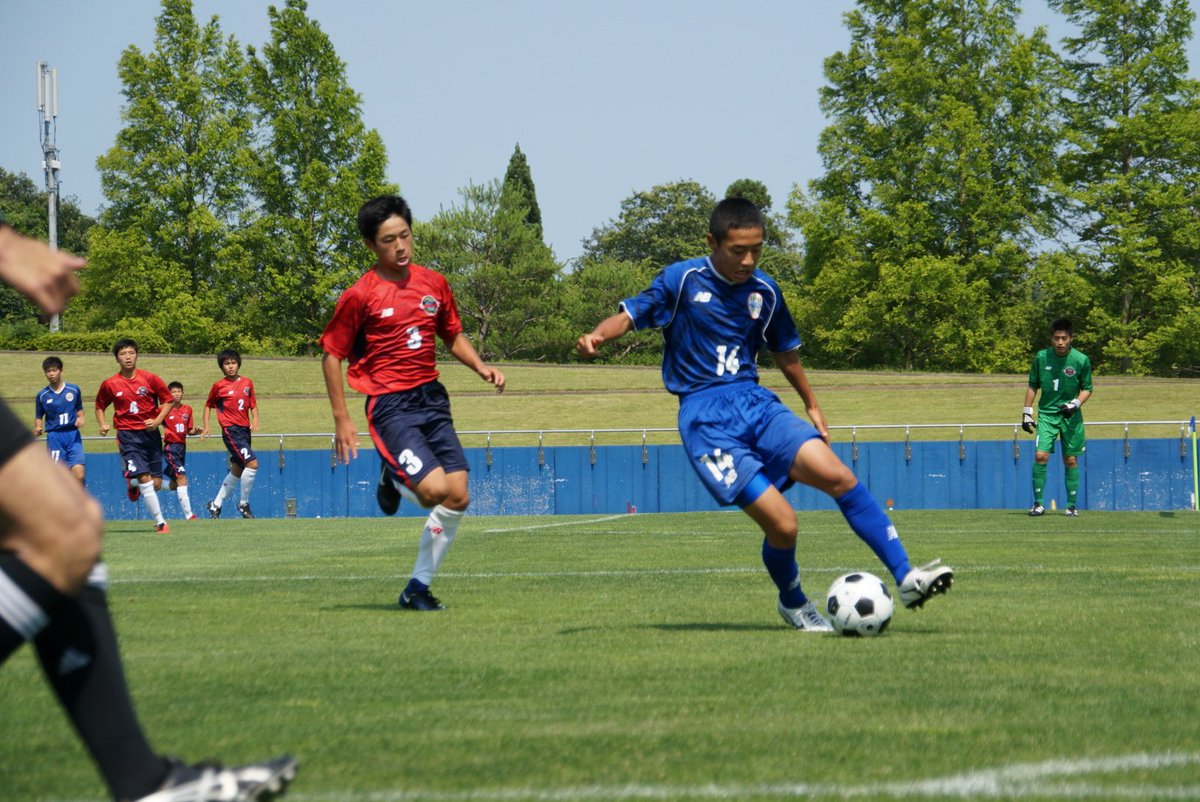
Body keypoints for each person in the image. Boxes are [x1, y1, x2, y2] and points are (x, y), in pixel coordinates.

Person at [0, 220, 296, 800]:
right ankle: (146, 784)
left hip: (154, 436)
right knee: (66, 528)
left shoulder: (164, 384)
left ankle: (145, 783)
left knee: (71, 527)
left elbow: (164, 402)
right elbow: (106, 402)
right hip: (130, 437)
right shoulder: (105, 385)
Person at [575, 197, 953, 631]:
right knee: (785, 526)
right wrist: (597, 337)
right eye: (738, 250)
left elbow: (784, 351)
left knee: (840, 477)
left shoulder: (765, 291)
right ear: (713, 242)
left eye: (757, 249)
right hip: (705, 419)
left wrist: (812, 404)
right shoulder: (682, 280)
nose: (748, 259)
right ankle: (793, 602)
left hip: (755, 402)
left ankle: (906, 577)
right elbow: (630, 314)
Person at [320, 195, 505, 611]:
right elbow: (331, 354)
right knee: (433, 491)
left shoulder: (434, 283)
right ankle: (392, 473)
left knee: (457, 496)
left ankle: (417, 588)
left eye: (405, 235)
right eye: (389, 240)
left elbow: (452, 334)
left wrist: (481, 367)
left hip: (432, 400)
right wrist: (341, 419)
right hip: (390, 405)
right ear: (371, 245)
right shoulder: (360, 295)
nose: (400, 246)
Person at [95, 339, 174, 534]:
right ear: (117, 358)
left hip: (150, 434)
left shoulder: (150, 379)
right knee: (145, 477)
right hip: (127, 435)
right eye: (123, 354)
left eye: (131, 353)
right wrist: (103, 424)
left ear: (137, 355)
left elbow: (169, 400)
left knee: (155, 483)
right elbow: (99, 406)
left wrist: (157, 421)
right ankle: (160, 522)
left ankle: (132, 483)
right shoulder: (110, 384)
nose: (127, 357)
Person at [1022, 317, 1093, 517]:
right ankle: (1039, 504)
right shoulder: (1041, 357)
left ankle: (1071, 506)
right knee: (1040, 455)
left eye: (1064, 338)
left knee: (1070, 460)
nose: (1060, 342)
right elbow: (1032, 385)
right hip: (1047, 414)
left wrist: (1075, 403)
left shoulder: (1081, 360)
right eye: (1056, 338)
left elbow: (1087, 388)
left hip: (1071, 417)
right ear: (1051, 339)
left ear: (1071, 338)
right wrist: (1027, 412)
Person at [201, 350, 260, 519]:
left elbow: (253, 404)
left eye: (233, 362)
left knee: (238, 468)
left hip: (244, 430)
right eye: (227, 363)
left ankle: (216, 504)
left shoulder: (247, 383)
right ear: (222, 367)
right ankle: (243, 504)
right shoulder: (218, 386)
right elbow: (208, 406)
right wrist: (206, 425)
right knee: (252, 463)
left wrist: (255, 418)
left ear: (238, 364)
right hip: (231, 430)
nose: (231, 366)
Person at [34, 355, 86, 483]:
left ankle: (79, 501)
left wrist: (81, 418)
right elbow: (39, 416)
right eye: (48, 371)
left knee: (79, 475)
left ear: (61, 370)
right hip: (54, 437)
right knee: (59, 477)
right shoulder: (42, 395)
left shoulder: (73, 390)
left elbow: (79, 409)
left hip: (73, 435)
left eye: (54, 370)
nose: (51, 374)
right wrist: (38, 428)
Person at [163, 381, 202, 520]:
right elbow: (153, 421)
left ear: (183, 393)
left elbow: (188, 430)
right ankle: (189, 515)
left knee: (175, 484)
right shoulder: (164, 409)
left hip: (181, 448)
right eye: (173, 392)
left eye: (179, 391)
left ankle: (147, 484)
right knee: (182, 478)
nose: (176, 394)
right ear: (169, 394)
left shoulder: (188, 409)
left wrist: (196, 431)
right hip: (170, 448)